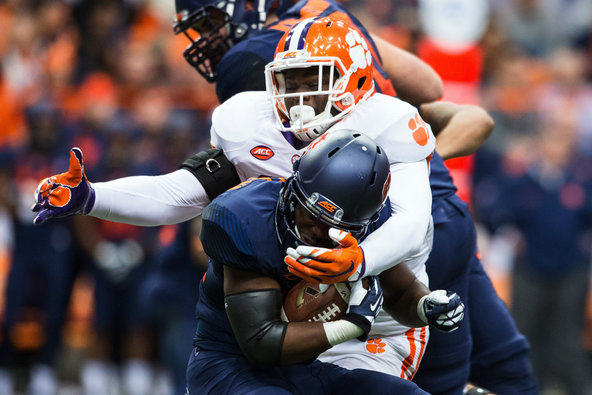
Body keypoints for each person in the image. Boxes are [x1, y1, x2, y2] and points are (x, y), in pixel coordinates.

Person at [32, 16, 535, 393]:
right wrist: (92, 197)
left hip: (377, 296)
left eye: (311, 81)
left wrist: (362, 264)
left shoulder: (389, 125)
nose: (297, 100)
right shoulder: (249, 128)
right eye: (290, 82)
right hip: (287, 295)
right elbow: (179, 191)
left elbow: (409, 224)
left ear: (357, 81)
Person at [173, 1, 539, 392]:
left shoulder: (253, 56)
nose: (206, 39)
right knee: (500, 364)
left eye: (211, 21)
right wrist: (409, 159)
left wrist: (395, 166)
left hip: (357, 224)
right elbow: (440, 94)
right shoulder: (334, 25)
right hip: (416, 215)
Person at [187, 129, 463, 393]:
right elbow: (261, 343)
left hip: (300, 369)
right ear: (294, 192)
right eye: (314, 215)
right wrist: (352, 325)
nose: (320, 233)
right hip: (228, 366)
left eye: (338, 227)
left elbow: (401, 293)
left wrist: (427, 306)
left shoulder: (369, 226)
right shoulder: (247, 219)